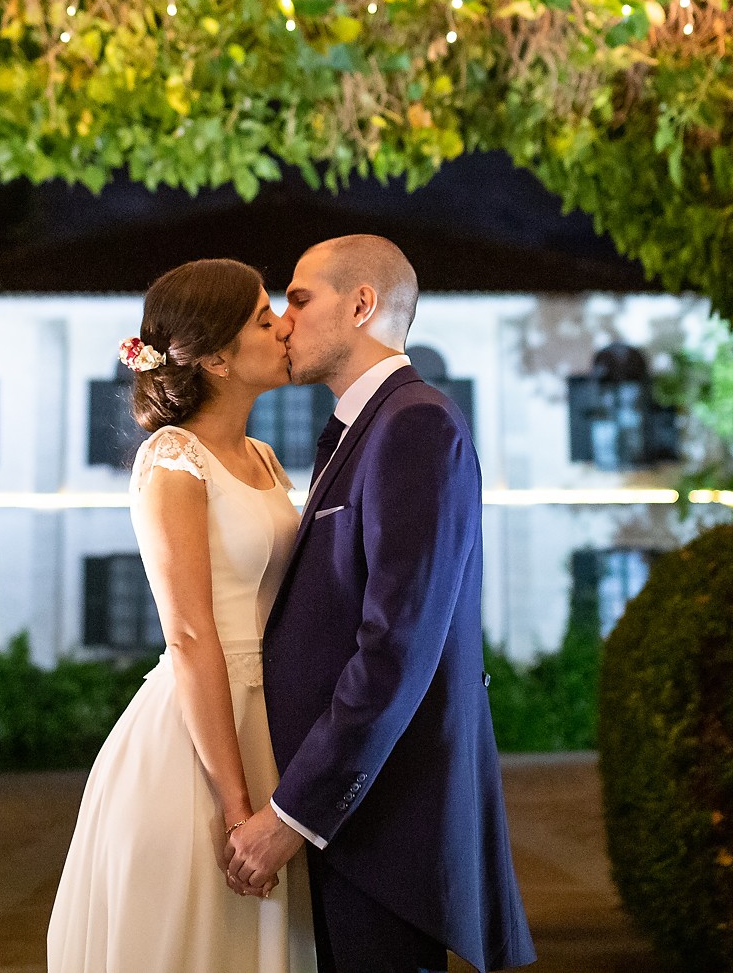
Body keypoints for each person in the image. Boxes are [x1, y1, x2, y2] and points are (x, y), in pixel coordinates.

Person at [226, 235, 536, 973]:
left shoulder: (416, 423)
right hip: (348, 832)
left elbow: (395, 648)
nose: (282, 319)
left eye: (299, 298)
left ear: (362, 303)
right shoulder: (363, 428)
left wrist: (294, 812)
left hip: (382, 831)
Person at [47, 258, 317, 973]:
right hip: (202, 732)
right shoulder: (172, 460)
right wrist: (238, 811)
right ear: (219, 357)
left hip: (274, 716)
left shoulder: (260, 456)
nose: (286, 325)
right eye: (266, 317)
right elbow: (191, 633)